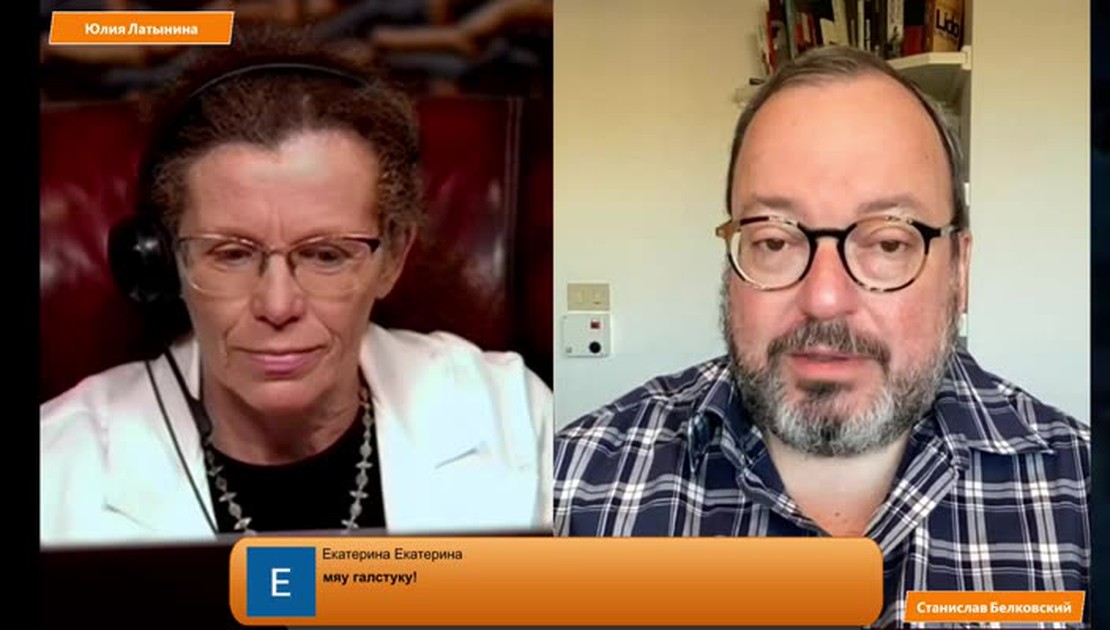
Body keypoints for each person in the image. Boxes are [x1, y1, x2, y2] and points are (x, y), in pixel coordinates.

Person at [553, 45, 1089, 627]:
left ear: (959, 271)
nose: (825, 297)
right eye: (774, 241)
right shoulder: (572, 488)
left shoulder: (1081, 497)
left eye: (888, 242)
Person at [40, 27, 552, 546]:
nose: (278, 305)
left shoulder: (514, 418)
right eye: (232, 254)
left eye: (326, 255)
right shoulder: (57, 468)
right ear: (165, 258)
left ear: (393, 257)